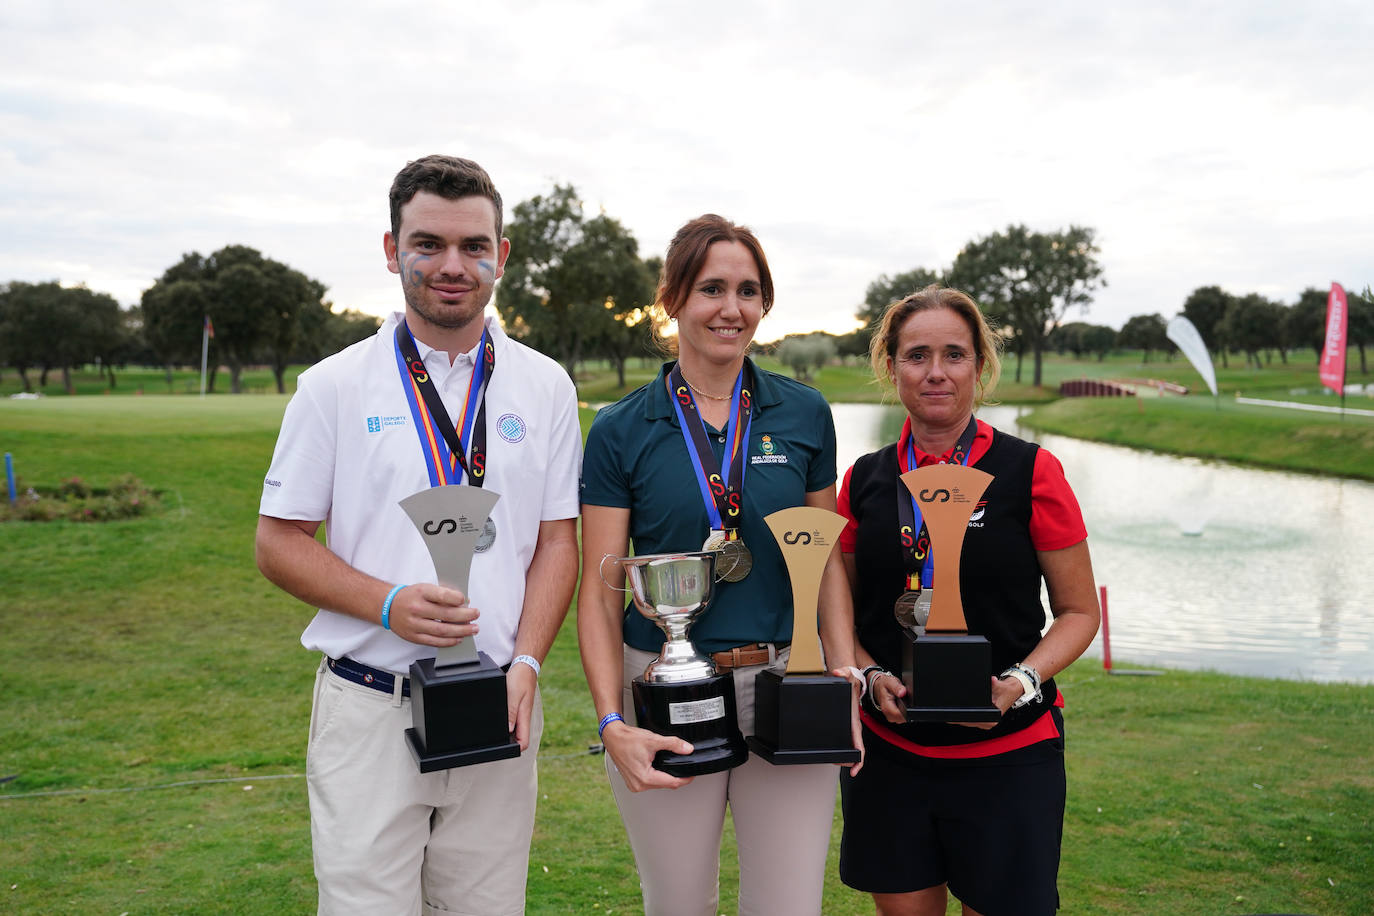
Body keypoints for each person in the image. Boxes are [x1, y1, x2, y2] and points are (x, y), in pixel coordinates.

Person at [255, 154, 581, 915]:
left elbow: (557, 542)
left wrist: (529, 660)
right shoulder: (334, 385)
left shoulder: (545, 384)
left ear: (501, 255)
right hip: (372, 708)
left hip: (500, 702)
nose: (451, 265)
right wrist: (388, 602)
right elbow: (278, 541)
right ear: (391, 249)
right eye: (427, 243)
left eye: (473, 246)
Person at [578, 214, 863, 916]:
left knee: (788, 907)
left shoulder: (802, 412)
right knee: (678, 905)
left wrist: (847, 670)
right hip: (665, 687)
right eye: (711, 288)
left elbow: (823, 559)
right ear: (672, 299)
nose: (731, 309)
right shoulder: (622, 427)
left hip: (788, 680)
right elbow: (599, 587)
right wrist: (613, 719)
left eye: (748, 290)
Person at [837, 285, 1100, 916]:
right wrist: (870, 674)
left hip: (1009, 758)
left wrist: (1016, 682)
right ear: (890, 366)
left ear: (979, 367)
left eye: (954, 355)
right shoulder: (864, 481)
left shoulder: (1032, 471)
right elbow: (836, 615)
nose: (935, 373)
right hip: (890, 758)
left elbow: (1080, 612)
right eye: (916, 355)